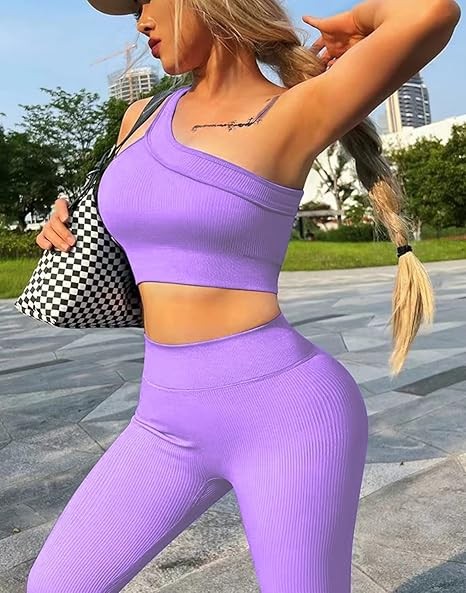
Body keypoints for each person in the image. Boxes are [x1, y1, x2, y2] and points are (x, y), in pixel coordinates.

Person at [29, 0, 459, 591]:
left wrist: (355, 24)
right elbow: (152, 217)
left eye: (147, 0)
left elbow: (432, 12)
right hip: (162, 421)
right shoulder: (141, 116)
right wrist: (70, 218)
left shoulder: (294, 111)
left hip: (287, 417)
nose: (140, 22)